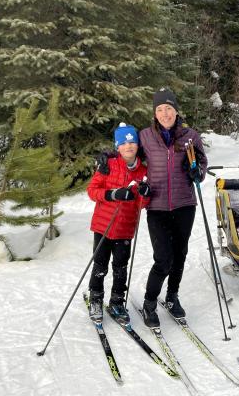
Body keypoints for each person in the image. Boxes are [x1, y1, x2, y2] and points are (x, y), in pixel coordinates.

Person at [97, 88, 208, 327]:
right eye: (160, 109)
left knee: (180, 254)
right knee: (163, 259)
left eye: (168, 108)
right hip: (156, 206)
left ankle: (172, 297)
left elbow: (201, 163)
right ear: (155, 113)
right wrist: (107, 155)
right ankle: (149, 303)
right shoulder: (145, 136)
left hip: (184, 205)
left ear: (176, 110)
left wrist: (197, 172)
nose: (165, 113)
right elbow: (127, 150)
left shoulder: (190, 136)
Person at [86, 123, 151, 322]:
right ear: (118, 146)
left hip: (125, 227)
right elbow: (92, 191)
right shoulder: (108, 165)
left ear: (137, 145)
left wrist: (145, 194)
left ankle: (116, 301)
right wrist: (113, 194)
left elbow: (142, 204)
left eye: (132, 142)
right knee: (100, 265)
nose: (128, 146)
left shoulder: (143, 171)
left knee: (121, 267)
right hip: (103, 226)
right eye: (124, 143)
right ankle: (96, 298)